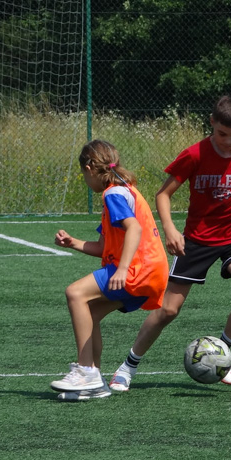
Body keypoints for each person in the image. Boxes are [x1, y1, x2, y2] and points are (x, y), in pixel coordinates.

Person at [110, 95, 231, 392]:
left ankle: (221, 352)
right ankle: (128, 366)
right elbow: (163, 194)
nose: (228, 141)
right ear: (211, 123)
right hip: (197, 240)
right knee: (168, 310)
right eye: (222, 133)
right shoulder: (195, 154)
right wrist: (170, 229)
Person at [49, 140, 169, 401]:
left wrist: (122, 269)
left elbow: (134, 229)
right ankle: (94, 382)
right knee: (89, 311)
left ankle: (86, 371)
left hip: (139, 270)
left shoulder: (112, 194)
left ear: (90, 168)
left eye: (83, 174)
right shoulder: (124, 190)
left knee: (75, 293)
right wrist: (74, 243)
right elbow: (104, 247)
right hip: (153, 273)